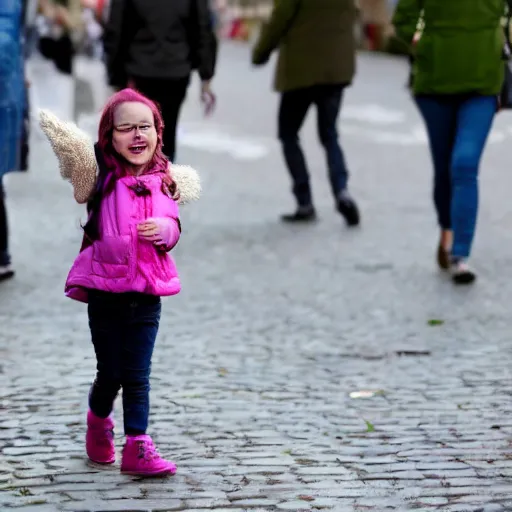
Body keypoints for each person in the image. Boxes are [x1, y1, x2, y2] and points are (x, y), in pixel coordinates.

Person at [38, 88, 201, 476]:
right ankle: (98, 420)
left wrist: (166, 230)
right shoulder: (100, 177)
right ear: (109, 136)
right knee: (111, 372)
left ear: (158, 133)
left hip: (147, 293)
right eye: (125, 128)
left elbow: (174, 225)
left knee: (137, 373)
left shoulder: (166, 180)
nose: (137, 135)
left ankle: (137, 446)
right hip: (105, 291)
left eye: (144, 127)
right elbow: (76, 156)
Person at [393, 0, 507, 284]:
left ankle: (460, 255)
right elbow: (403, 18)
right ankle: (447, 228)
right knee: (444, 168)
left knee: (464, 164)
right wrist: (422, 45)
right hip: (434, 85)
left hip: (482, 85)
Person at [252, 0, 360, 226]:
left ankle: (304, 201)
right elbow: (352, 14)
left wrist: (261, 53)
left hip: (300, 70)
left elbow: (279, 19)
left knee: (288, 134)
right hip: (335, 69)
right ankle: (342, 191)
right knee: (330, 134)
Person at [103, 0, 217, 162]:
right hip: (176, 69)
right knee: (167, 133)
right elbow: (203, 27)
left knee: (135, 136)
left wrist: (115, 77)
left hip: (138, 70)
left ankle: (139, 180)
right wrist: (206, 76)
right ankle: (162, 179)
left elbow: (115, 28)